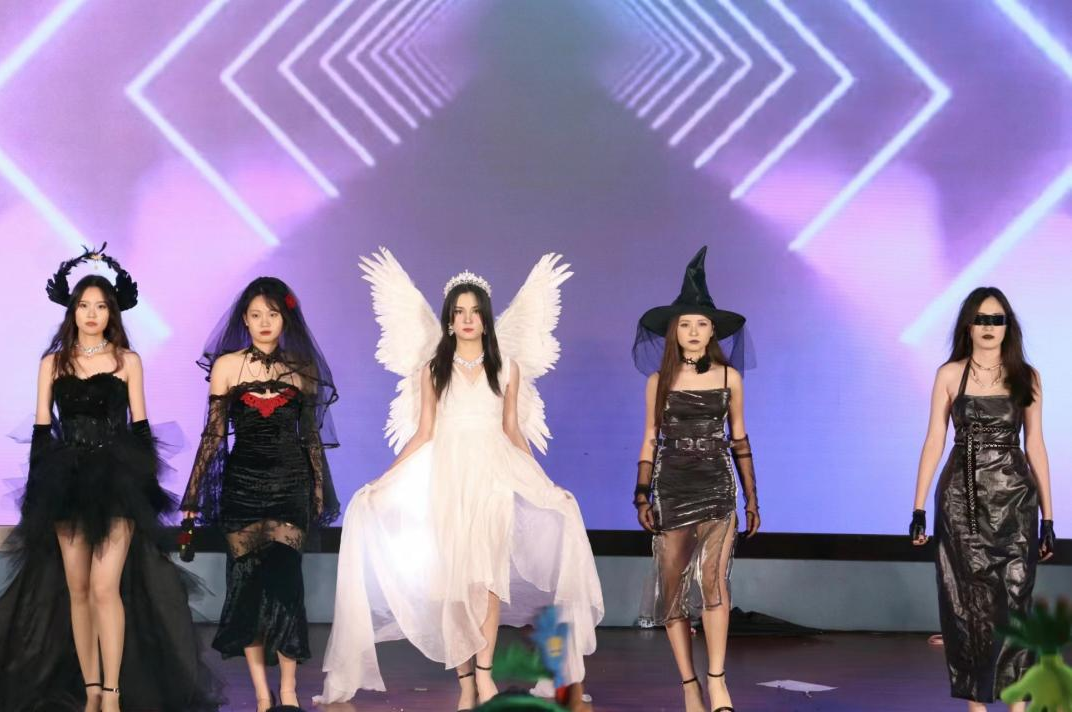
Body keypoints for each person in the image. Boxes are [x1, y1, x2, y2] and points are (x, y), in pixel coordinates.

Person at [318, 248, 604, 711]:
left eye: (475, 311)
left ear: (486, 319)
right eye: (459, 312)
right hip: (448, 479)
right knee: (456, 587)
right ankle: (466, 681)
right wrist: (383, 480)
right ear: (449, 321)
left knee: (488, 581)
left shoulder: (506, 367)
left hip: (494, 478)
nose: (467, 319)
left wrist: (544, 484)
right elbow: (424, 432)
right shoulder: (433, 369)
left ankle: (484, 677)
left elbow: (512, 431)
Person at [0, 246, 218, 712]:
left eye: (100, 306)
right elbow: (42, 429)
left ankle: (112, 693)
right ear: (72, 310)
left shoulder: (128, 360)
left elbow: (140, 428)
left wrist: (144, 488)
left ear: (112, 312)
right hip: (65, 481)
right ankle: (92, 690)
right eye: (84, 305)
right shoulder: (52, 363)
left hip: (117, 480)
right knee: (77, 590)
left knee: (104, 588)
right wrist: (38, 491)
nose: (92, 313)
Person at [181, 276, 339, 712]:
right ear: (245, 321)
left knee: (287, 583)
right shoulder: (227, 367)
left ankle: (287, 690)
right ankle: (262, 696)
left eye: (272, 314)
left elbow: (310, 438)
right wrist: (193, 495)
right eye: (256, 315)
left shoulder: (301, 368)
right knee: (245, 584)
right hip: (242, 486)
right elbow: (213, 435)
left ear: (285, 318)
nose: (265, 322)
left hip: (291, 484)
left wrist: (318, 489)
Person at [909, 286, 1056, 711]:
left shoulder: (1027, 376)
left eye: (997, 319)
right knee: (967, 605)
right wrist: (918, 507)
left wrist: (1049, 517)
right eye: (981, 319)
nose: (989, 327)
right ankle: (977, 706)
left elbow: (1036, 445)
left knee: (1016, 600)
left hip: (1016, 500)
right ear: (968, 326)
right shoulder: (949, 374)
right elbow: (935, 440)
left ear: (1008, 326)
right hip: (962, 500)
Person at [631, 247, 758, 712]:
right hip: (671, 488)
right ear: (674, 331)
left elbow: (739, 438)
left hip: (717, 486)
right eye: (685, 324)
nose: (693, 331)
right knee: (672, 590)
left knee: (713, 581)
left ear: (712, 331)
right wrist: (641, 495)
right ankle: (689, 685)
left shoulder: (729, 377)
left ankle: (717, 681)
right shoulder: (658, 382)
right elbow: (650, 439)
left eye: (701, 323)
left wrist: (752, 499)